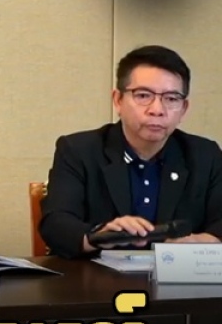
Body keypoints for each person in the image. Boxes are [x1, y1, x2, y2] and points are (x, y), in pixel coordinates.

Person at [40, 45, 222, 259]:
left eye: (171, 99)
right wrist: (99, 236)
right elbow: (56, 223)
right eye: (143, 95)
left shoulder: (205, 155)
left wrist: (207, 241)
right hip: (95, 276)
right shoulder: (78, 150)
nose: (157, 110)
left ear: (184, 109)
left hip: (177, 276)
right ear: (118, 100)